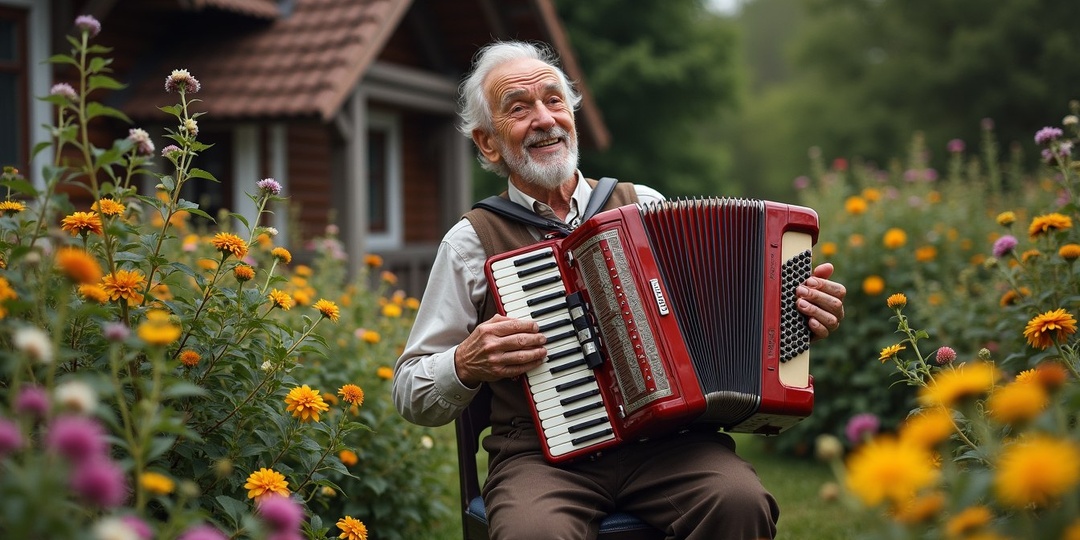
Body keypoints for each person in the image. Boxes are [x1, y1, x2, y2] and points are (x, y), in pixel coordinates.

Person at [392, 40, 847, 540]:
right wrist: (463, 363)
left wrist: (791, 318)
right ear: (488, 143)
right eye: (518, 109)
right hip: (542, 460)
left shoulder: (643, 206)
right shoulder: (470, 242)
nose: (544, 119)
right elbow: (410, 389)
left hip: (669, 444)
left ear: (571, 115)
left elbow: (715, 315)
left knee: (740, 503)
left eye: (554, 100)